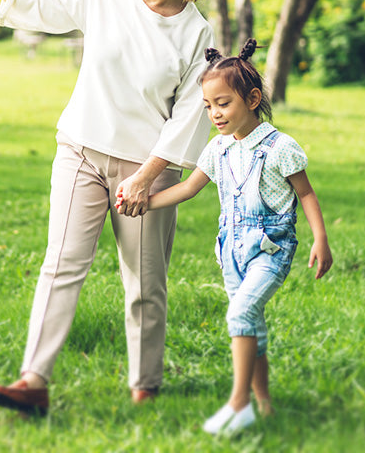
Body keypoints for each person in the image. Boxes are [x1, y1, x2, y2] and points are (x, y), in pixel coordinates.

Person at [0, 0, 220, 416]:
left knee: (145, 284)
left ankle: (145, 386)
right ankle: (33, 380)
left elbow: (189, 117)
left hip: (147, 173)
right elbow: (32, 1)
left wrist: (145, 179)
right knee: (61, 265)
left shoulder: (196, 33)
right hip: (80, 151)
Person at [117, 39, 333, 434]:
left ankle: (239, 404)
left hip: (271, 250)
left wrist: (321, 240)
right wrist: (145, 201)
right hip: (231, 252)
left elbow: (306, 193)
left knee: (240, 314)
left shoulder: (279, 147)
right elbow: (187, 189)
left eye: (223, 103)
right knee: (252, 323)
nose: (215, 114)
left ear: (252, 99)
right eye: (208, 106)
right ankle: (264, 404)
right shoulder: (217, 150)